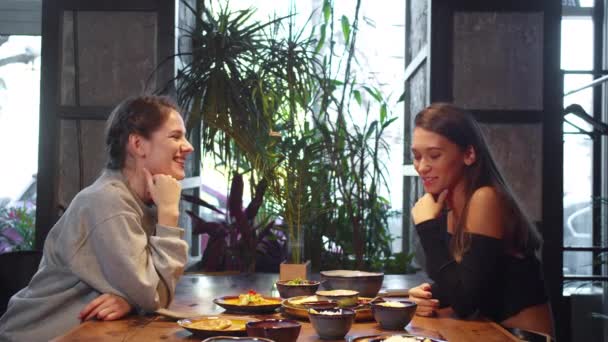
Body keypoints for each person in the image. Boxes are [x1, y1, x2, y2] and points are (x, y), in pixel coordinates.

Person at [0, 95, 193, 341]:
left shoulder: (139, 201)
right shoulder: (108, 201)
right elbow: (154, 295)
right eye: (175, 136)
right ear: (137, 144)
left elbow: (155, 293)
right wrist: (169, 215)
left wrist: (131, 300)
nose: (188, 146)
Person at [407, 103, 553, 336]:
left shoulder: (485, 198)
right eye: (416, 156)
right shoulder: (449, 203)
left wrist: (426, 227)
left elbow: (465, 303)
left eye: (434, 155)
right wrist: (428, 295)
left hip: (517, 336)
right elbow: (467, 281)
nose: (422, 167)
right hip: (484, 331)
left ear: (469, 154)